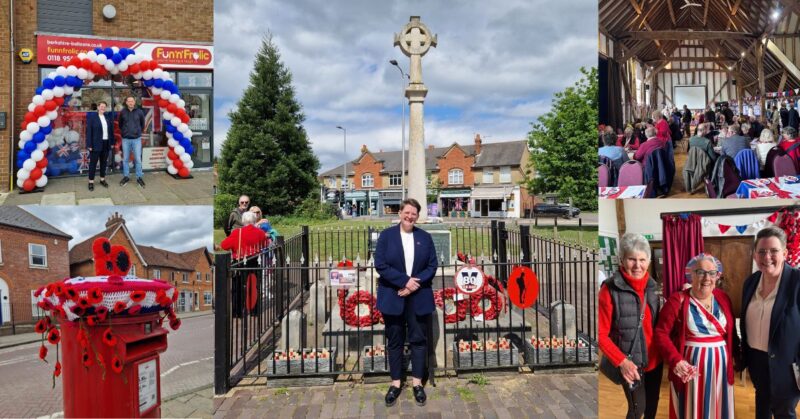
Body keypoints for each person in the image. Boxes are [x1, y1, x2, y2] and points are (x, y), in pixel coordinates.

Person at [654, 254, 739, 419]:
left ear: (717, 276)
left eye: (712, 273)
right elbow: (660, 333)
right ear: (691, 275)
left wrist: (738, 356)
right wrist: (675, 359)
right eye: (700, 272)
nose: (707, 278)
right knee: (692, 410)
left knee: (718, 408)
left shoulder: (723, 298)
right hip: (691, 370)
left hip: (720, 369)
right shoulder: (677, 300)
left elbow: (731, 334)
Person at [374, 198, 438, 407]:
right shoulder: (386, 236)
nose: (410, 216)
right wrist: (404, 281)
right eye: (407, 212)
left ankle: (417, 383)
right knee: (395, 341)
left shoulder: (425, 237)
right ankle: (395, 383)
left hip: (418, 296)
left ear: (417, 216)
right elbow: (380, 265)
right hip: (393, 295)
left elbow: (432, 266)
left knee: (419, 340)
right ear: (400, 213)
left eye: (414, 214)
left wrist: (413, 285)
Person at [598, 233, 663, 419]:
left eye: (642, 260)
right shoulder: (609, 290)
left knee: (652, 406)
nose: (637, 265)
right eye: (632, 259)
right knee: (637, 410)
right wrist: (622, 362)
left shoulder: (652, 286)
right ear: (622, 259)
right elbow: (601, 335)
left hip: (655, 361)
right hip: (631, 364)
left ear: (649, 261)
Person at [741, 226, 800, 419]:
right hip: (757, 360)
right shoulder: (750, 282)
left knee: (784, 413)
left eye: (774, 251)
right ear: (755, 255)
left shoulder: (797, 281)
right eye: (762, 251)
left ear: (784, 253)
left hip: (788, 364)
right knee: (762, 408)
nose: (767, 257)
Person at [220, 211, 269, 318]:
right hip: (255, 261)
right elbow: (266, 243)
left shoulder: (237, 232)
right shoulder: (260, 232)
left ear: (243, 221)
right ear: (254, 220)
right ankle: (254, 311)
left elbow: (224, 245)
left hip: (240, 262)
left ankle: (237, 312)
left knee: (237, 288)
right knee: (253, 286)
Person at [85, 101, 115, 191]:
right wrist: (89, 144)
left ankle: (102, 179)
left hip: (106, 143)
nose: (103, 108)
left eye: (104, 107)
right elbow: (89, 132)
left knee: (104, 163)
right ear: (98, 107)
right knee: (93, 164)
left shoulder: (107, 117)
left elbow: (111, 131)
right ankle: (91, 182)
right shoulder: (92, 118)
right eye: (101, 106)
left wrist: (112, 142)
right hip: (95, 144)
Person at [117, 96, 146, 187]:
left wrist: (137, 132)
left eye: (132, 101)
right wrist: (125, 132)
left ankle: (139, 177)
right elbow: (120, 124)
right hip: (126, 139)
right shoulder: (123, 112)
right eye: (129, 101)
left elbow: (142, 124)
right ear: (126, 102)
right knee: (125, 159)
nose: (130, 102)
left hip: (136, 139)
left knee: (137, 159)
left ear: (134, 102)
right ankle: (126, 176)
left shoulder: (139, 112)